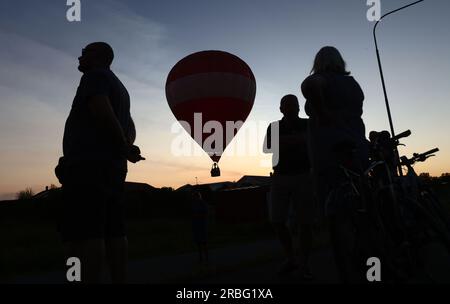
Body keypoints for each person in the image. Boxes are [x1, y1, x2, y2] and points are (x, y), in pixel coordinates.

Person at [55, 42, 144, 284]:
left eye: (85, 52)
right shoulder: (121, 88)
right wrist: (125, 148)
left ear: (99, 57)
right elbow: (123, 125)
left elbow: (102, 110)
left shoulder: (94, 77)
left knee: (82, 234)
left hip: (86, 166)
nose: (80, 56)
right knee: (114, 231)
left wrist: (123, 147)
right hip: (112, 169)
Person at [300, 46, 369, 283]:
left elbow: (309, 87)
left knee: (335, 208)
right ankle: (369, 253)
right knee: (360, 201)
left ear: (318, 62)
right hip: (357, 145)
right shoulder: (352, 84)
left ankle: (347, 267)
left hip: (329, 152)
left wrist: (322, 112)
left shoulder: (320, 79)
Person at [263, 94, 314, 279]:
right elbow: (267, 147)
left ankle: (304, 264)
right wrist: (298, 140)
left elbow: (312, 142)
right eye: (287, 105)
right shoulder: (274, 126)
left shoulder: (308, 124)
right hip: (280, 176)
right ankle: (292, 258)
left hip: (303, 175)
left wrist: (283, 142)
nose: (292, 107)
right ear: (281, 108)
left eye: (294, 104)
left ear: (299, 107)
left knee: (305, 222)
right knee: (277, 220)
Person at [191, 191, 209, 268]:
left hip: (202, 224)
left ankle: (206, 257)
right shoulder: (194, 204)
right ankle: (201, 257)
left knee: (203, 242)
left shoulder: (202, 203)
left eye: (195, 196)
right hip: (197, 225)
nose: (194, 198)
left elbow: (205, 213)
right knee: (198, 242)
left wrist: (199, 216)